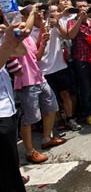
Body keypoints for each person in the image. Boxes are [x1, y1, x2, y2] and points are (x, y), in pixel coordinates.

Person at [15, 4, 67, 163]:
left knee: (52, 108)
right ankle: (29, 151)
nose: (39, 16)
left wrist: (43, 42)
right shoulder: (17, 34)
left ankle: (46, 138)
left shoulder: (29, 37)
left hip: (39, 78)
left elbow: (36, 57)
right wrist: (32, 13)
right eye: (34, 15)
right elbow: (24, 33)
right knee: (29, 118)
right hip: (26, 82)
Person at [36, 5, 81, 131]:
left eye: (57, 11)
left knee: (65, 94)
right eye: (53, 12)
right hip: (44, 69)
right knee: (52, 98)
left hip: (60, 65)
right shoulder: (35, 28)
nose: (56, 13)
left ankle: (70, 118)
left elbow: (67, 36)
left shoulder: (57, 24)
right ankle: (59, 120)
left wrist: (57, 25)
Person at [0, 19, 31, 192]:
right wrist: (9, 41)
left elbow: (21, 51)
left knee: (10, 166)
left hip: (7, 109)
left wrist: (15, 38)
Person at [67, 0, 91, 125]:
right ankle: (88, 113)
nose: (83, 8)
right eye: (80, 6)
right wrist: (80, 19)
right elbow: (71, 35)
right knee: (85, 88)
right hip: (81, 59)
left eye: (85, 6)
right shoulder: (72, 21)